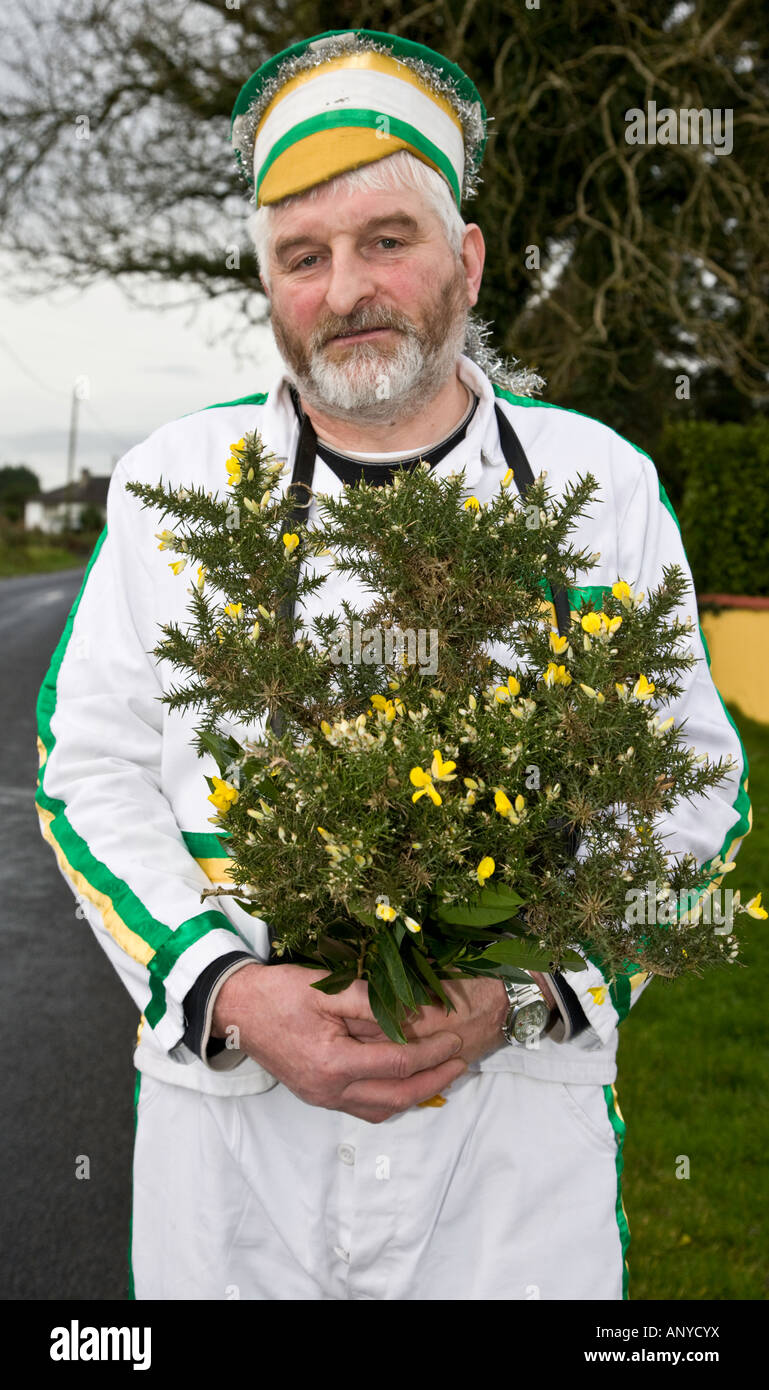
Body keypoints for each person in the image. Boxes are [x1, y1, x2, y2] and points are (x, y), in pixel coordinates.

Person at [35, 27, 750, 1301]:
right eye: (301, 258)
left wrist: (525, 993)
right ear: (269, 290)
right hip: (234, 1137)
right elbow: (86, 767)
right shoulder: (169, 489)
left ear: (466, 261)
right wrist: (230, 987)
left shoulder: (603, 487)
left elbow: (698, 789)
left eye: (385, 240)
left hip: (514, 1138)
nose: (345, 286)